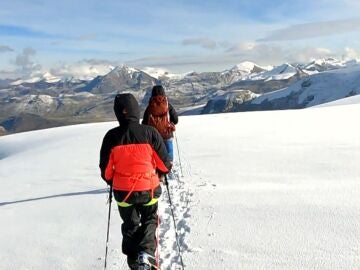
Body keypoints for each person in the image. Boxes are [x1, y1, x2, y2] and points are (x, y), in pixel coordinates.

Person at [99, 93, 172, 270]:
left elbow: (106, 171)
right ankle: (146, 255)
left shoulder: (111, 137)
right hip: (149, 190)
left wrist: (112, 181)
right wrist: (162, 172)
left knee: (130, 224)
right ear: (136, 110)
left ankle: (135, 262)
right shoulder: (149, 133)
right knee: (149, 219)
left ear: (118, 112)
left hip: (123, 193)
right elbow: (164, 164)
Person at [142, 85, 178, 161]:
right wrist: (170, 122)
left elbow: (144, 123)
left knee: (156, 155)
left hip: (153, 136)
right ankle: (169, 166)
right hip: (167, 134)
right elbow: (175, 120)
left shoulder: (150, 107)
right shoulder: (168, 105)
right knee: (169, 153)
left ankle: (158, 169)